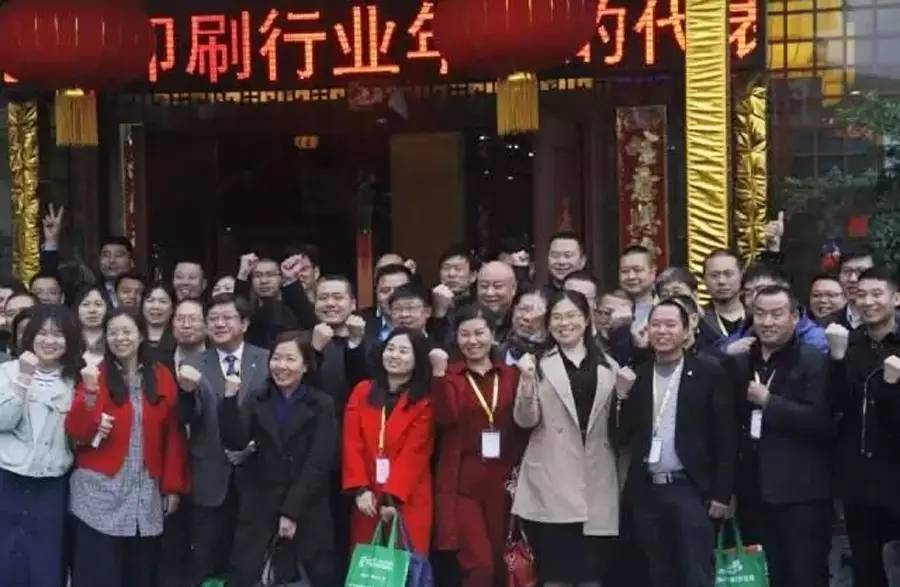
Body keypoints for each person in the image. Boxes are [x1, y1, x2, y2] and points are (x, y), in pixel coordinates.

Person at [512, 290, 634, 587]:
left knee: (591, 576)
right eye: (557, 317)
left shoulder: (609, 365)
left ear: (587, 319)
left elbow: (620, 429)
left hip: (596, 480)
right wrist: (526, 381)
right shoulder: (536, 362)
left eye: (572, 316)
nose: (564, 323)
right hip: (551, 479)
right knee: (556, 576)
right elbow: (525, 420)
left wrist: (623, 395)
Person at [613, 300, 736, 587]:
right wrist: (620, 397)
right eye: (656, 325)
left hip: (691, 489)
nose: (662, 331)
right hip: (647, 490)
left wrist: (722, 493)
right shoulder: (638, 374)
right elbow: (620, 436)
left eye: (670, 325)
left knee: (695, 574)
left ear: (687, 330)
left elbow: (726, 436)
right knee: (658, 573)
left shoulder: (708, 372)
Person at [66, 309, 190, 587]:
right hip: (98, 494)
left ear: (141, 335)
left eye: (127, 331)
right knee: (98, 576)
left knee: (139, 575)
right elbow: (78, 431)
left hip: (144, 493)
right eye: (113, 332)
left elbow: (173, 435)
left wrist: (172, 486)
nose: (120, 338)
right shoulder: (94, 375)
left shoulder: (161, 376)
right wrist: (89, 393)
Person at [730, 285, 833, 587]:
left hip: (801, 493)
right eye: (760, 314)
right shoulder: (742, 361)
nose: (767, 322)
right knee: (762, 576)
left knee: (804, 575)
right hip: (753, 490)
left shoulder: (812, 359)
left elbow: (821, 420)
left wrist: (770, 403)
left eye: (776, 314)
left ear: (794, 317)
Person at [219, 331, 338, 586]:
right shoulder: (258, 398)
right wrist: (229, 400)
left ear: (305, 366)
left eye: (290, 359)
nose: (281, 366)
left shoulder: (321, 404)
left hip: (307, 508)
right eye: (276, 358)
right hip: (260, 507)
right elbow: (236, 440)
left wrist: (291, 511)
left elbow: (318, 463)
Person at [176, 294, 270, 585]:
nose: (219, 324)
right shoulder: (193, 364)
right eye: (213, 319)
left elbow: (273, 414)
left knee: (248, 563)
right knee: (204, 560)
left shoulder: (266, 360)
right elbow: (186, 417)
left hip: (256, 475)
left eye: (227, 318)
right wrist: (186, 393)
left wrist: (252, 445)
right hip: (210, 476)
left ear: (245, 323)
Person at [434, 304, 526, 587]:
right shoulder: (450, 375)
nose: (472, 341)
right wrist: (438, 376)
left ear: (493, 335)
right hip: (463, 480)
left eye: (479, 333)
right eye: (464, 334)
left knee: (502, 560)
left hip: (505, 479)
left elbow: (524, 424)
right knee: (479, 563)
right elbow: (445, 417)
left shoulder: (511, 375)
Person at [826, 267, 900, 587]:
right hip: (859, 480)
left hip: (896, 473)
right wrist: (837, 359)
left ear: (896, 298)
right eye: (860, 295)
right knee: (867, 568)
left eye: (876, 294)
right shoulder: (847, 344)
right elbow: (835, 406)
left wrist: (893, 388)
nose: (868, 302)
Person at [0, 305, 82, 587]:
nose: (50, 341)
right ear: (30, 336)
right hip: (8, 479)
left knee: (45, 562)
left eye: (58, 335)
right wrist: (23, 378)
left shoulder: (76, 380)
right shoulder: (6, 372)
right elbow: (3, 420)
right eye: (43, 333)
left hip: (52, 484)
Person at [342, 328, 436, 554]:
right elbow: (351, 442)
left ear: (417, 359)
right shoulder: (362, 391)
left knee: (404, 564)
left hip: (407, 496)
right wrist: (360, 489)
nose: (394, 355)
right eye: (390, 348)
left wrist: (391, 499)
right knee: (368, 563)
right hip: (368, 496)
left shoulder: (424, 401)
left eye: (403, 351)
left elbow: (415, 454)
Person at [723, 264, 828, 356]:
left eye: (762, 290)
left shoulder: (815, 338)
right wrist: (727, 352)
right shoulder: (746, 329)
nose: (755, 298)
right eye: (749, 293)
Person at [235, 254, 299, 349]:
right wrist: (243, 274)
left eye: (270, 275)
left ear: (281, 278)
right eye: (258, 275)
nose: (263, 281)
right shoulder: (250, 313)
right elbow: (236, 312)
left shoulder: (292, 310)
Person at [360, 264, 413, 347]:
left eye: (400, 290)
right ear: (376, 293)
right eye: (385, 291)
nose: (392, 297)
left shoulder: (428, 325)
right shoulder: (360, 323)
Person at [827, 245, 874, 330]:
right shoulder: (827, 324)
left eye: (861, 271)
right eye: (846, 271)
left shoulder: (892, 323)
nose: (853, 279)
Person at [498, 287, 550, 365]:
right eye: (523, 309)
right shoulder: (492, 353)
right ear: (514, 310)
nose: (527, 317)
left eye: (537, 313)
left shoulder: (554, 361)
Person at [701, 250, 746, 338]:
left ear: (742, 276)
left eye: (728, 274)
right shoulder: (698, 320)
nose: (722, 281)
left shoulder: (756, 315)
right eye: (714, 275)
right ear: (704, 280)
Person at [476, 261, 517, 346]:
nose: (489, 293)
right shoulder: (467, 318)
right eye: (484, 286)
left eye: (497, 286)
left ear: (513, 288)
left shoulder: (522, 321)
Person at [618, 245, 657, 326]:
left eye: (638, 270)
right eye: (625, 271)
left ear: (652, 273)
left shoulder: (667, 308)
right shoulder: (608, 309)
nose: (631, 276)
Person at [75, 285, 110, 368]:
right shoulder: (69, 338)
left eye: (98, 304)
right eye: (85, 304)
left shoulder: (113, 338)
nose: (92, 310)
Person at [142, 283, 176, 360]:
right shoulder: (134, 336)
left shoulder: (179, 338)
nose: (156, 306)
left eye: (163, 301)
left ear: (173, 308)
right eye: (150, 301)